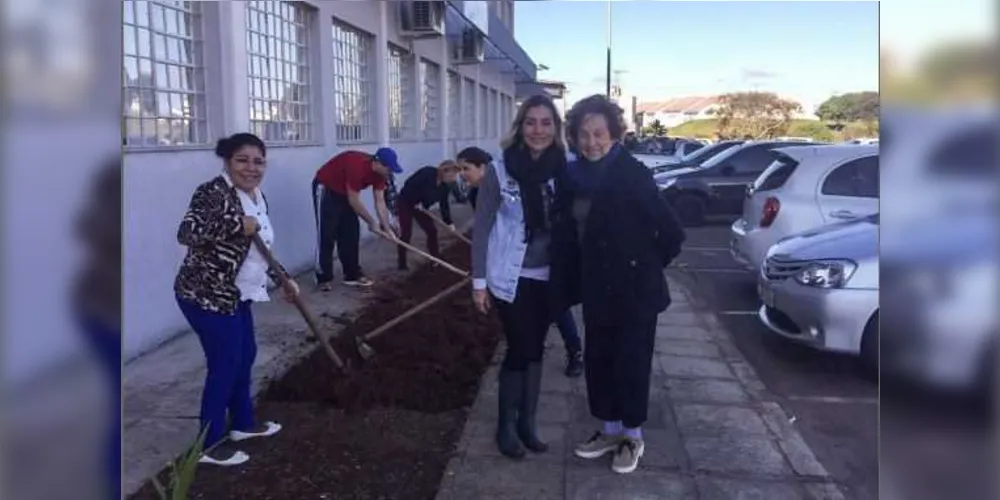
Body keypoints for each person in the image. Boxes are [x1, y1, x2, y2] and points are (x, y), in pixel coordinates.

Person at [551, 95, 685, 474]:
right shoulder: (571, 176)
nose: (591, 142)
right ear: (574, 137)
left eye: (599, 134)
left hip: (634, 292)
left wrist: (643, 266)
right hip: (596, 288)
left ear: (615, 135)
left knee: (631, 364)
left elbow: (672, 233)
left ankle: (632, 437)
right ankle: (609, 431)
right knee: (599, 362)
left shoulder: (633, 175)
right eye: (583, 135)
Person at [174, 132, 301, 466]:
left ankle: (242, 425)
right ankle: (209, 445)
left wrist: (283, 278)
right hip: (204, 294)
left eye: (258, 161)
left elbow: (262, 249)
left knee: (245, 355)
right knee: (226, 363)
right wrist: (234, 223)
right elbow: (187, 233)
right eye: (242, 160)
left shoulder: (258, 197)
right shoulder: (212, 192)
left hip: (236, 293)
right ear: (227, 162)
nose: (251, 168)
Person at [471, 95, 566, 459]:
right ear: (520, 127)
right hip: (509, 277)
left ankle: (528, 423)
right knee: (520, 346)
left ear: (555, 129)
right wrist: (478, 283)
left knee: (535, 348)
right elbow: (481, 228)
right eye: (531, 122)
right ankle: (506, 426)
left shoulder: (565, 169)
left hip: (550, 277)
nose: (538, 130)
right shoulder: (499, 170)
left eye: (545, 123)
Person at [459, 146, 584, 377]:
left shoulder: (525, 178)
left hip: (545, 262)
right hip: (514, 268)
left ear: (482, 167)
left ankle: (574, 350)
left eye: (466, 169)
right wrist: (483, 270)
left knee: (560, 310)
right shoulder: (478, 192)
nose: (463, 174)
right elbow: (489, 232)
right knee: (523, 338)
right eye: (460, 169)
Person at [313, 147, 402, 290]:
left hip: (346, 193)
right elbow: (354, 200)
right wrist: (371, 222)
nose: (390, 172)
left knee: (351, 232)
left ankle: (352, 275)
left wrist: (387, 228)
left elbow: (380, 201)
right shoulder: (357, 165)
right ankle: (323, 277)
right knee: (327, 233)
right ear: (378, 163)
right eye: (389, 169)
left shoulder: (381, 176)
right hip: (326, 188)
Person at [395, 160, 460, 270]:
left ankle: (435, 258)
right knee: (406, 233)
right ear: (444, 171)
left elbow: (444, 204)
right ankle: (402, 264)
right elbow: (409, 185)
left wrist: (449, 222)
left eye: (455, 174)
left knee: (432, 230)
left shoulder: (445, 186)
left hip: (421, 208)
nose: (453, 177)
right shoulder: (427, 173)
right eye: (452, 174)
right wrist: (416, 200)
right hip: (406, 202)